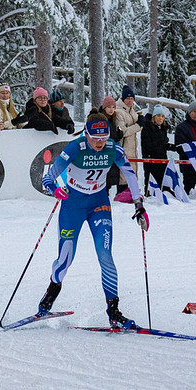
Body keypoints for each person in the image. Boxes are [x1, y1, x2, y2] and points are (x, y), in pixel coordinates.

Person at [37, 109, 149, 329]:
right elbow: (48, 178)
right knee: (66, 258)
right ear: (86, 135)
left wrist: (139, 205)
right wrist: (56, 190)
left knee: (105, 254)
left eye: (103, 138)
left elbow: (130, 173)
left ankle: (113, 310)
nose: (99, 143)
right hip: (73, 205)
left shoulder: (112, 149)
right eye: (95, 139)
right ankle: (51, 292)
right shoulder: (75, 148)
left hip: (99, 204)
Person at [140, 105, 176, 194]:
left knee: (162, 182)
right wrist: (163, 143)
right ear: (154, 117)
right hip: (150, 160)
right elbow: (148, 145)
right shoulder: (147, 128)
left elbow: (162, 144)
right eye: (158, 116)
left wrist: (171, 147)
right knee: (150, 184)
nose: (160, 118)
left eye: (162, 116)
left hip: (162, 159)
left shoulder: (163, 129)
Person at [115, 86, 143, 192]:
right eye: (128, 98)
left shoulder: (131, 111)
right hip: (123, 149)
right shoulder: (119, 112)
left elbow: (137, 125)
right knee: (123, 178)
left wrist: (143, 122)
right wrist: (139, 125)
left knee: (131, 177)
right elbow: (123, 132)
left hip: (132, 150)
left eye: (132, 99)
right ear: (123, 99)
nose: (130, 101)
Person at [99, 97, 123, 194]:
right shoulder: (101, 119)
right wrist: (116, 137)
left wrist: (118, 135)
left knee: (109, 179)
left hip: (111, 152)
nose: (111, 109)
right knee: (104, 179)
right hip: (103, 152)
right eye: (109, 107)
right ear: (104, 108)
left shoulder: (112, 119)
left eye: (113, 107)